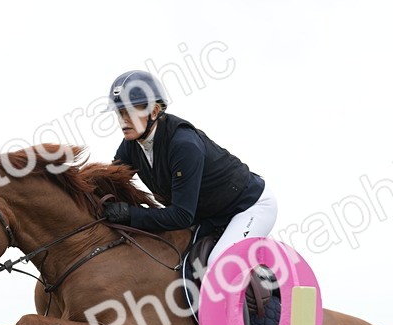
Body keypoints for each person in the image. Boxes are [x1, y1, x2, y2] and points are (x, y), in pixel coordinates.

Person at [102, 70, 276, 268]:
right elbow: (110, 183)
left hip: (249, 207)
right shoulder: (131, 146)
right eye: (120, 112)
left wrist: (130, 215)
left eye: (131, 111)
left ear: (154, 111)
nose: (124, 120)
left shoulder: (183, 145)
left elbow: (182, 216)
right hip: (209, 216)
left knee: (218, 263)